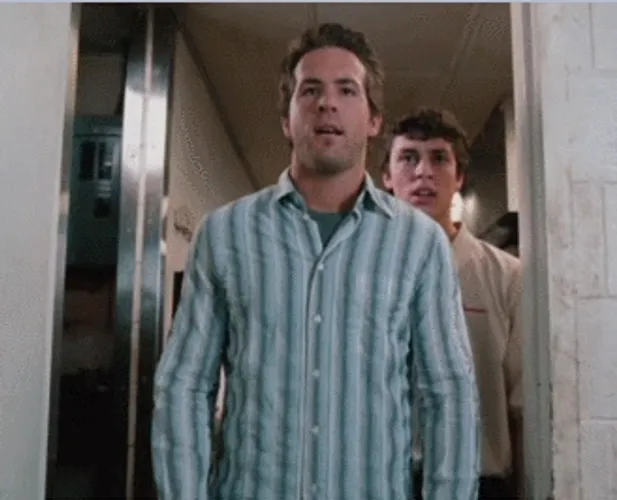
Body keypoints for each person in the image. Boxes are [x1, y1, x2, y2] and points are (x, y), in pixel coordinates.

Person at [151, 23, 480, 500]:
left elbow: (447, 392)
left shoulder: (420, 245)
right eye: (310, 90)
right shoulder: (225, 235)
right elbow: (184, 384)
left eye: (347, 90)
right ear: (287, 120)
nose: (327, 103)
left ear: (373, 120)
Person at [381, 108, 524, 499]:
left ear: (459, 176)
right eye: (408, 158)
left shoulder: (506, 276)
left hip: (480, 481)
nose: (423, 172)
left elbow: (523, 407)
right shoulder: (360, 276)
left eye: (439, 158)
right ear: (387, 177)